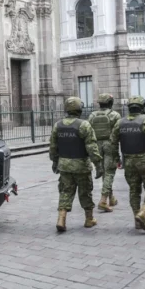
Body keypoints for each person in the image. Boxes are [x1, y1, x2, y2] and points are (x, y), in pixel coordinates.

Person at [110, 96, 145, 232]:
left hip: (129, 161)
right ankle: (143, 212)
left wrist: (117, 159)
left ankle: (137, 220)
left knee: (134, 190)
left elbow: (113, 143)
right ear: (143, 107)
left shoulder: (120, 123)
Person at [50, 97, 102, 232]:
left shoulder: (58, 125)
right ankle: (89, 219)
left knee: (65, 192)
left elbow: (53, 147)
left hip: (64, 165)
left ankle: (61, 218)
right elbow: (92, 147)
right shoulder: (83, 125)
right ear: (79, 109)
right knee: (85, 192)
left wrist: (55, 161)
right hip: (81, 166)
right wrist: (98, 164)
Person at [88, 93, 121, 212]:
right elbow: (118, 134)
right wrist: (118, 154)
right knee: (109, 172)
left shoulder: (92, 115)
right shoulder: (115, 115)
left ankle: (111, 198)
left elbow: (89, 133)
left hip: (97, 145)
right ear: (110, 103)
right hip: (110, 145)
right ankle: (103, 200)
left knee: (103, 171)